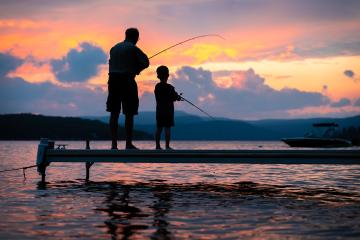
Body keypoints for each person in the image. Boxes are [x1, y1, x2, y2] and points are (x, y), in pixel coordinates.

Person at [106, 28, 149, 149]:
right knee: (129, 113)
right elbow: (146, 62)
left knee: (114, 113)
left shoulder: (114, 48)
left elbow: (111, 63)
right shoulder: (133, 48)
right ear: (136, 37)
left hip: (113, 80)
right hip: (127, 80)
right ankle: (128, 143)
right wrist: (137, 69)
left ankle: (114, 144)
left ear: (126, 35)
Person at [154, 65, 182, 150]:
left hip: (159, 111)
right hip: (168, 111)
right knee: (167, 128)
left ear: (158, 76)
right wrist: (178, 97)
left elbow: (159, 97)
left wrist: (175, 97)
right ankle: (167, 146)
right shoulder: (170, 88)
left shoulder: (157, 86)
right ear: (168, 75)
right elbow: (174, 97)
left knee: (159, 128)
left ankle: (157, 146)